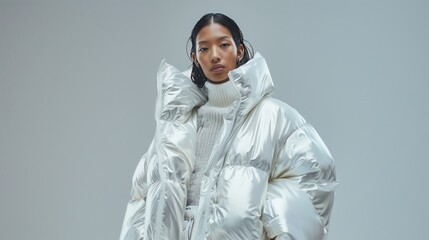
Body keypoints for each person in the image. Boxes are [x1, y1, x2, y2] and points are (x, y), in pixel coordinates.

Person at [119, 13, 338, 240]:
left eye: (224, 45)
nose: (214, 55)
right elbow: (141, 199)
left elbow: (312, 183)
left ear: (239, 50)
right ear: (195, 57)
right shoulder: (175, 125)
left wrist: (264, 222)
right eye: (204, 49)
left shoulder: (275, 117)